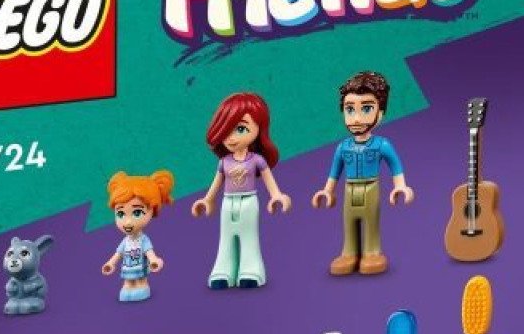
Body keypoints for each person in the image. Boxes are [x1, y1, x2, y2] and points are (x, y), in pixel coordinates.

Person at [312, 70, 412, 276]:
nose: (356, 118)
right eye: (350, 109)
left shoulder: (382, 144)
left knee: (371, 220)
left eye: (366, 108)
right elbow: (334, 172)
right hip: (349, 189)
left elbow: (395, 166)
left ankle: (372, 252)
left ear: (380, 113)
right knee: (349, 220)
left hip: (371, 188)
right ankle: (349, 252)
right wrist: (327, 191)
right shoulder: (343, 147)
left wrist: (400, 186)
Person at [193, 92, 291, 288]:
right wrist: (207, 199)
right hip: (227, 203)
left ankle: (251, 270)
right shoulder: (224, 162)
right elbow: (217, 182)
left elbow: (268, 179)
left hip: (248, 202)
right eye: (225, 130)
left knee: (249, 236)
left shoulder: (256, 160)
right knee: (226, 237)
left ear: (258, 129)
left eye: (240, 128)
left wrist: (276, 195)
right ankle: (223, 270)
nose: (231, 137)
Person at [101, 170, 172, 302]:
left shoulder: (143, 239)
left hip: (140, 267)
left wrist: (154, 260)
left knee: (140, 281)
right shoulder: (125, 241)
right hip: (128, 267)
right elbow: (118, 254)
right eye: (121, 214)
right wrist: (110, 263)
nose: (128, 222)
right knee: (127, 282)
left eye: (137, 213)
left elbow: (149, 252)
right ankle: (127, 288)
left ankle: (142, 286)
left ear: (152, 211)